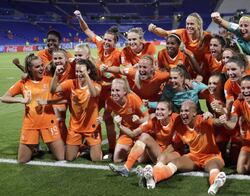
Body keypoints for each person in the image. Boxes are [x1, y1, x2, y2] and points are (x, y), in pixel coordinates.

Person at [141, 100, 227, 195]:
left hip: (211, 156)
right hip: (193, 157)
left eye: (186, 111)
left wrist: (220, 119)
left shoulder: (203, 119)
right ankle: (153, 178)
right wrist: (163, 155)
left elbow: (217, 122)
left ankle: (215, 184)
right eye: (181, 111)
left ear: (194, 113)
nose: (183, 113)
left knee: (213, 168)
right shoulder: (180, 128)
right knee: (174, 163)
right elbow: (175, 145)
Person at [74, 10, 122, 158]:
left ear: (115, 42)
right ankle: (88, 144)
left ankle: (112, 150)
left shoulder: (119, 55)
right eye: (105, 39)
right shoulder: (100, 44)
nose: (106, 42)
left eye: (110, 41)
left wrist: (110, 73)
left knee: (107, 119)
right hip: (98, 90)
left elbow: (123, 72)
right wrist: (80, 17)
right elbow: (86, 29)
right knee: (89, 115)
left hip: (110, 92)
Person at [0, 54, 65, 163]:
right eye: (37, 67)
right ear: (29, 68)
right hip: (30, 124)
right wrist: (21, 100)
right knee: (22, 160)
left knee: (61, 157)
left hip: (49, 123)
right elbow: (4, 98)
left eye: (41, 65)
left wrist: (48, 102)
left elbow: (63, 99)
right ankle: (34, 148)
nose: (41, 68)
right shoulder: (23, 83)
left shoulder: (49, 80)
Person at [108, 101, 183, 177]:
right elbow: (133, 133)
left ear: (170, 111)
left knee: (152, 159)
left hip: (175, 152)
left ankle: (150, 172)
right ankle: (126, 168)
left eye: (162, 109)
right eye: (157, 109)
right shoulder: (153, 121)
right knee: (144, 136)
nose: (159, 112)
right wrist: (119, 125)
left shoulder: (177, 119)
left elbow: (175, 145)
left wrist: (163, 156)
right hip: (159, 152)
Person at [50, 59, 103, 161]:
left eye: (81, 71)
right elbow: (53, 90)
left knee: (96, 160)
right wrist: (56, 74)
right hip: (75, 128)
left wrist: (86, 75)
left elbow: (94, 94)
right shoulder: (71, 83)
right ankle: (83, 148)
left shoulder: (96, 85)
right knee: (69, 158)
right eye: (77, 71)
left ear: (88, 71)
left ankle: (93, 148)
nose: (79, 74)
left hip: (91, 127)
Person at [104, 78, 149, 163]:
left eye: (117, 90)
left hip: (140, 131)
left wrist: (139, 121)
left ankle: (138, 149)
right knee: (117, 159)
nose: (114, 93)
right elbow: (106, 115)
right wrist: (105, 119)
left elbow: (148, 117)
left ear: (124, 91)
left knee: (140, 159)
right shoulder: (109, 101)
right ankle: (129, 149)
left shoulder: (135, 99)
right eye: (112, 90)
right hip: (126, 132)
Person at [102, 55, 169, 102]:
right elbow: (120, 70)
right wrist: (107, 68)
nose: (141, 70)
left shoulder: (160, 76)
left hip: (152, 102)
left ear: (152, 68)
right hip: (137, 101)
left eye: (145, 67)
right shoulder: (133, 72)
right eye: (140, 67)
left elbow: (173, 75)